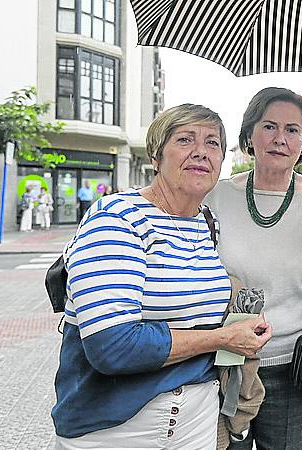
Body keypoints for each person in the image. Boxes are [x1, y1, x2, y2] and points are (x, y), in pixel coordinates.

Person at [52, 104, 273, 448]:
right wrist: (223, 338)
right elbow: (112, 347)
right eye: (185, 139)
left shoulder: (207, 223)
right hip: (115, 428)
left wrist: (242, 325)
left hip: (197, 422)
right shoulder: (117, 218)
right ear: (156, 156)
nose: (201, 151)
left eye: (213, 143)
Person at [204, 87, 302, 450]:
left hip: (293, 366)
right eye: (269, 126)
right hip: (225, 362)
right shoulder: (216, 196)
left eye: (292, 130)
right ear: (249, 135)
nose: (280, 139)